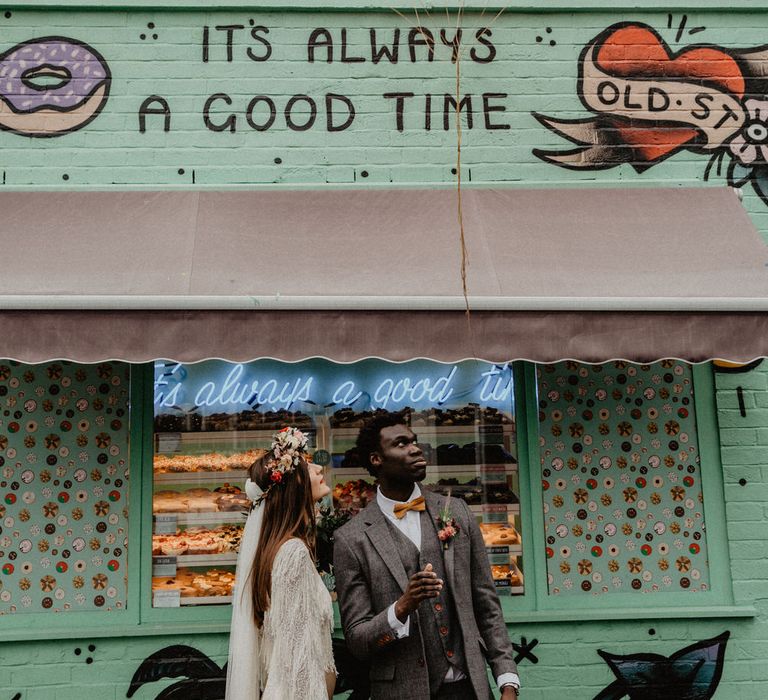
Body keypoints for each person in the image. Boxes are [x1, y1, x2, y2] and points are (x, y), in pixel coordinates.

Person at [333, 412, 520, 700]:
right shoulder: (351, 538)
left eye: (414, 441)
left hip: (466, 688)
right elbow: (358, 641)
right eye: (401, 443)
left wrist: (507, 679)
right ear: (376, 459)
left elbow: (486, 603)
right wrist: (401, 607)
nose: (415, 448)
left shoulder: (456, 511)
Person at [225, 427, 336, 700]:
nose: (320, 470)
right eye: (309, 467)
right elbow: (298, 659)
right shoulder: (292, 554)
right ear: (295, 484)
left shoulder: (280, 550)